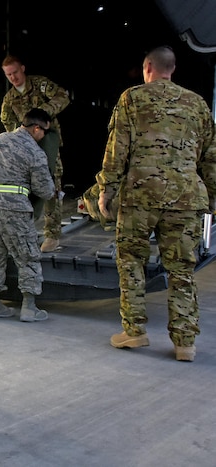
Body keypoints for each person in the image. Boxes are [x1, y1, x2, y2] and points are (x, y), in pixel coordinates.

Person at [96, 45, 216, 362]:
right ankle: (185, 344)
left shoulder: (132, 98)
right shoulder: (198, 104)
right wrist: (213, 200)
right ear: (171, 69)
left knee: (132, 262)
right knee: (182, 272)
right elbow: (211, 158)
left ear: (148, 66)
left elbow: (117, 148)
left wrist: (106, 189)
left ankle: (134, 332)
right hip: (186, 197)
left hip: (139, 196)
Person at [0, 108, 56, 322]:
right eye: (44, 132)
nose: (44, 137)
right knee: (27, 255)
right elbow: (45, 190)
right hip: (14, 208)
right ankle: (29, 307)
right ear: (37, 128)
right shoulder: (33, 150)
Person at [0, 55, 70, 252]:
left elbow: (63, 96)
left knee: (52, 185)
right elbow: (7, 123)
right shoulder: (9, 99)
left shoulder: (40, 85)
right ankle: (24, 231)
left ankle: (52, 235)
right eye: (9, 75)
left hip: (47, 141)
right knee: (24, 188)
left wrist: (42, 113)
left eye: (15, 72)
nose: (13, 77)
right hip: (27, 145)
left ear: (22, 68)